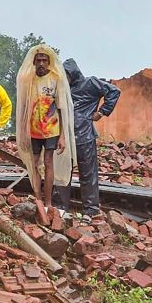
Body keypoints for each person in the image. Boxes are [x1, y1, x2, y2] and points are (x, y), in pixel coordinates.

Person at [56, 58, 120, 218]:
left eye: (66, 74)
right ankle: (60, 208)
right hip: (65, 138)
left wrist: (102, 112)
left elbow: (114, 91)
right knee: (63, 172)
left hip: (85, 136)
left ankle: (91, 210)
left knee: (88, 174)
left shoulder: (90, 83)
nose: (64, 78)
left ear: (73, 73)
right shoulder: (63, 89)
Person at [15, 45, 75, 211]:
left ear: (49, 62)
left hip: (51, 129)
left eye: (44, 60)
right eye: (38, 60)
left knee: (48, 162)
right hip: (33, 129)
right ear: (34, 62)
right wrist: (22, 131)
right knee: (34, 163)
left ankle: (48, 202)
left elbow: (62, 108)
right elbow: (23, 107)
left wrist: (62, 136)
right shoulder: (28, 80)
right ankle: (38, 199)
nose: (41, 63)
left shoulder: (56, 79)